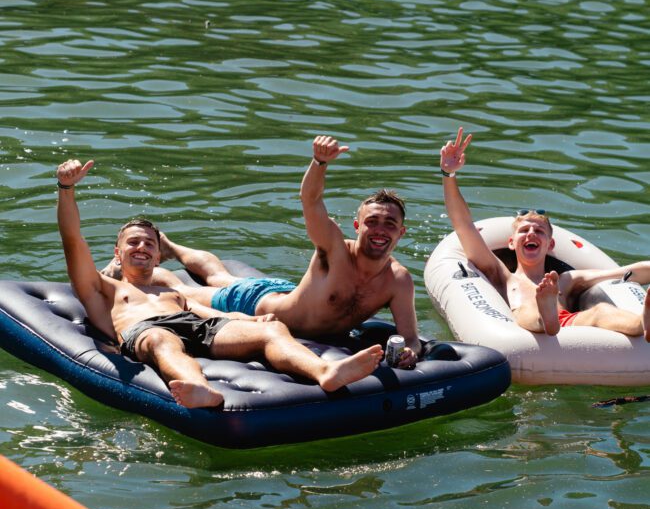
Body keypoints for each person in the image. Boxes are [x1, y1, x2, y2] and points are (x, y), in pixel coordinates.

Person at [55, 159, 384, 409]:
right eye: (133, 243)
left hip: (192, 325)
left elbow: (203, 314)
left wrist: (255, 321)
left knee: (271, 331)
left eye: (149, 244)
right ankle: (201, 389)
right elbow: (72, 240)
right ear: (117, 252)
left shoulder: (171, 291)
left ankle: (325, 372)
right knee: (160, 339)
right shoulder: (101, 289)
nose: (141, 247)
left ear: (158, 256)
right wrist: (66, 189)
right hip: (146, 332)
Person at [104, 136, 420, 368]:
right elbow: (310, 202)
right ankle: (150, 261)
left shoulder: (399, 281)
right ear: (357, 226)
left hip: (288, 292)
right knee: (183, 289)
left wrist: (411, 352)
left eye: (389, 224)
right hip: (258, 303)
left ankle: (170, 245)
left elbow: (411, 338)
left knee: (220, 276)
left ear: (401, 233)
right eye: (372, 222)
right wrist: (319, 163)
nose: (380, 230)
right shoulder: (335, 249)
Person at [439, 127, 650, 339]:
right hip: (529, 324)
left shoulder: (566, 280)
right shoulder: (504, 276)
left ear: (550, 245)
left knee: (600, 311)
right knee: (528, 311)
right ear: (511, 243)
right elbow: (463, 225)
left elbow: (627, 271)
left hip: (566, 321)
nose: (531, 233)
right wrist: (449, 174)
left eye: (539, 230)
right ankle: (544, 314)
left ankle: (642, 321)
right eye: (524, 230)